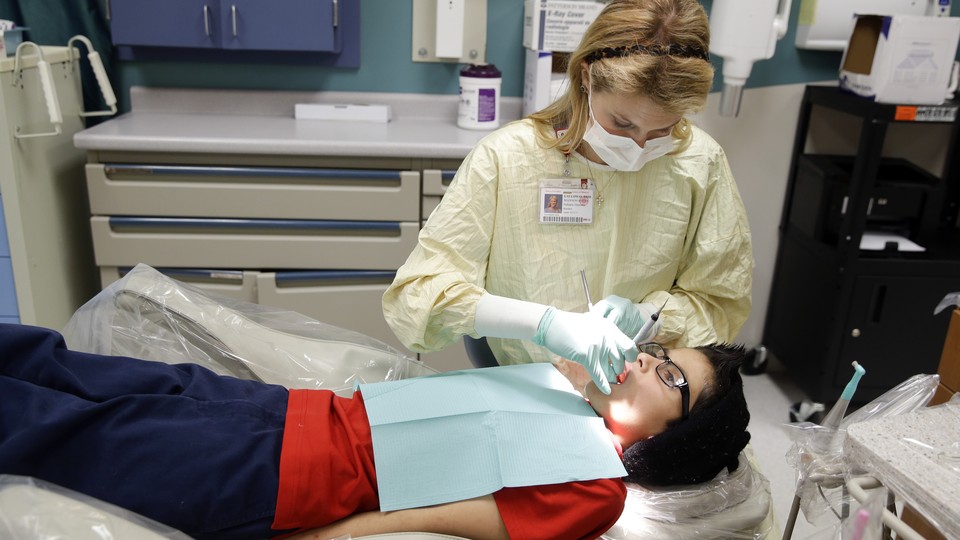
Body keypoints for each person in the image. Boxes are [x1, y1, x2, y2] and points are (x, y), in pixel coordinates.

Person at [0, 323, 751, 540]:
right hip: (290, 415)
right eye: (658, 353)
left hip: (274, 477)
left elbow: (433, 518)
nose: (647, 363)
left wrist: (328, 536)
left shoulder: (596, 490)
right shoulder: (574, 396)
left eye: (671, 378)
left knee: (68, 426)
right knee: (71, 369)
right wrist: (571, 363)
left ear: (680, 436)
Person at [382, 0, 753, 395]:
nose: (639, 145)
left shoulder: (699, 161)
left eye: (663, 128)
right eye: (621, 123)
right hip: (529, 387)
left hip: (635, 395)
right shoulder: (507, 158)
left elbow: (721, 300)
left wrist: (652, 318)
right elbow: (418, 297)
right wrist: (541, 323)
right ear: (586, 77)